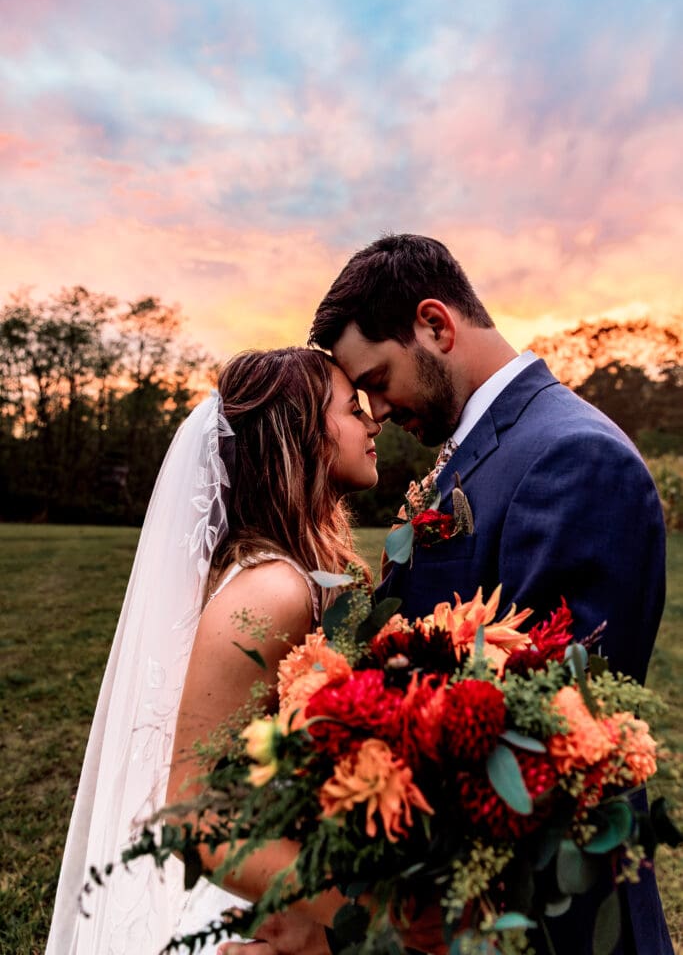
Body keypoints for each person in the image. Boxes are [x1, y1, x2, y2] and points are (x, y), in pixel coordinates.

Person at [306, 232, 672, 955]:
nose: (374, 410)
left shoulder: (573, 454)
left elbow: (554, 730)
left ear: (435, 325)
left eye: (377, 379)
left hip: (545, 919)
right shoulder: (482, 446)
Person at [46, 347, 381, 955]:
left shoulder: (293, 571)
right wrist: (370, 913)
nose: (372, 422)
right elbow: (192, 812)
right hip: (264, 913)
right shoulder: (274, 589)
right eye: (352, 409)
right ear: (301, 436)